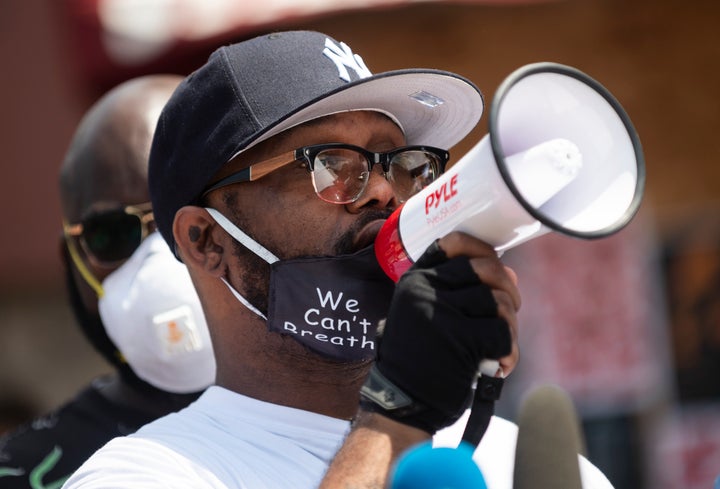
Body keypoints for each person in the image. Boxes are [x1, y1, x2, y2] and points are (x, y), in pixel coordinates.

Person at [63, 31, 613, 488]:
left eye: (404, 163)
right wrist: (397, 418)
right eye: (329, 164)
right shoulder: (144, 473)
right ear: (206, 240)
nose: (382, 190)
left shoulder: (529, 465)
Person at [0, 75, 215, 488]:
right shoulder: (22, 471)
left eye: (190, 220)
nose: (161, 257)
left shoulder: (360, 419)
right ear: (73, 262)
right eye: (113, 233)